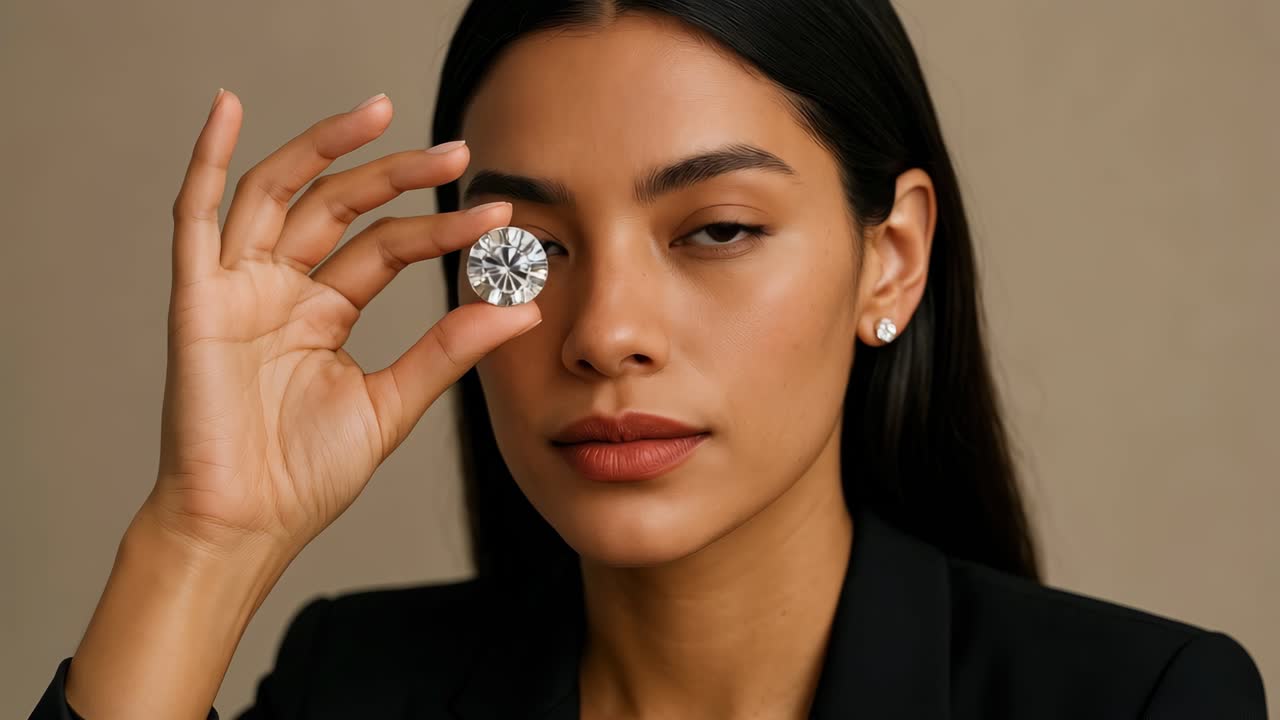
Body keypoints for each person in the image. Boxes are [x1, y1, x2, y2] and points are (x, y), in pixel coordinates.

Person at [30, 1, 1269, 718]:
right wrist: (203, 543)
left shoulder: (1141, 705)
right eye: (524, 247)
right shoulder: (354, 685)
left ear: (888, 259)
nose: (603, 331)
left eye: (715, 230)